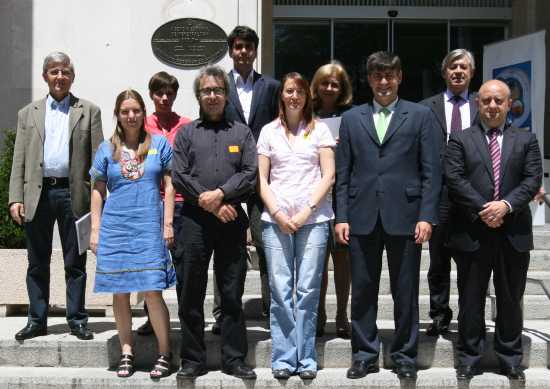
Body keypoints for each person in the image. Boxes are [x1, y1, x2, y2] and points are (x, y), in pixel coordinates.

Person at [335, 51, 441, 380]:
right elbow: (343, 173)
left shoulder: (421, 115)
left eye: (389, 75)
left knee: (405, 290)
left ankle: (405, 355)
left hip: (406, 216)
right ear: (368, 80)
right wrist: (341, 216)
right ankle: (364, 354)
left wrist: (427, 215)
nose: (383, 82)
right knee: (363, 290)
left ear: (399, 78)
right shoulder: (352, 118)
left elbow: (431, 171)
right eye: (377, 76)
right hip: (361, 215)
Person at [445, 79, 542, 381]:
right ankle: (469, 357)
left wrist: (506, 206)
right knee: (470, 300)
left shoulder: (526, 139)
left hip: (513, 232)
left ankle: (510, 357)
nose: (491, 106)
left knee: (511, 298)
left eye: (498, 101)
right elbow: (455, 178)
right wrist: (486, 208)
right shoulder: (460, 139)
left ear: (509, 103)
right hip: (473, 231)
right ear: (478, 103)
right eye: (486, 100)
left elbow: (532, 178)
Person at [8, 51, 103, 341]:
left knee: (75, 262)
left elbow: (98, 161)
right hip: (38, 194)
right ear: (45, 76)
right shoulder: (28, 113)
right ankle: (37, 320)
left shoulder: (89, 111)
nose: (59, 76)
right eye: (54, 71)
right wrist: (15, 197)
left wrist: (99, 202)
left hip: (73, 194)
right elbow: (19, 158)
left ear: (72, 77)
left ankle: (77, 319)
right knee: (37, 261)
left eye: (64, 71)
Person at [172, 65, 257, 379]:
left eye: (218, 90)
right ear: (199, 95)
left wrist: (220, 195)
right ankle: (192, 360)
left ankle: (234, 359)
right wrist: (209, 204)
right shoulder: (186, 133)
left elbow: (250, 174)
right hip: (194, 222)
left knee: (231, 292)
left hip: (232, 219)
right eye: (206, 90)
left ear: (226, 95)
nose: (212, 96)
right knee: (190, 291)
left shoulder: (242, 133)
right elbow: (180, 176)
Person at [89, 89, 175, 379]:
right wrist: (96, 230)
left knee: (152, 290)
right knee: (120, 291)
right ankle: (127, 351)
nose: (131, 115)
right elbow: (98, 191)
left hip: (149, 224)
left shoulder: (160, 144)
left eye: (136, 110)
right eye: (125, 111)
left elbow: (170, 185)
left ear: (143, 112)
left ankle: (165, 352)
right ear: (118, 114)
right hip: (115, 227)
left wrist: (168, 224)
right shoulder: (106, 149)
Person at [257, 72, 336, 380]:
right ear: (282, 95)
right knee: (280, 289)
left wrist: (305, 212)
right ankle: (284, 357)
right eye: (289, 91)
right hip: (275, 221)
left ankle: (306, 358)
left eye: (299, 91)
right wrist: (277, 212)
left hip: (313, 221)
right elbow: (261, 179)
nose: (293, 96)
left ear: (307, 96)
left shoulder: (321, 131)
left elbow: (328, 175)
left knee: (306, 289)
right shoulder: (268, 132)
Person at [214, 25, 281, 333]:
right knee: (227, 249)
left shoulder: (271, 87)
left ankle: (271, 308)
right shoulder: (218, 86)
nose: (242, 51)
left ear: (255, 50)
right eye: (237, 47)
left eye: (248, 46)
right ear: (231, 51)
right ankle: (223, 311)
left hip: (261, 180)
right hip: (226, 179)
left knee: (267, 244)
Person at [419, 49, 478, 337]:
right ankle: (439, 316)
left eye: (463, 67)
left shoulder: (484, 105)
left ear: (471, 73)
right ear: (444, 72)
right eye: (453, 67)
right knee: (438, 260)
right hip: (438, 194)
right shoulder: (425, 107)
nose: (458, 71)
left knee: (470, 261)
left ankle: (470, 315)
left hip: (473, 196)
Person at [137, 71, 191, 336]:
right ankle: (152, 318)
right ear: (151, 95)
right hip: (149, 205)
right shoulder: (141, 126)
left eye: (169, 93)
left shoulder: (187, 125)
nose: (165, 98)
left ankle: (186, 317)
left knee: (183, 265)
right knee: (152, 267)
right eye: (159, 93)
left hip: (181, 204)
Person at [310, 62, 353, 339]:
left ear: (342, 89)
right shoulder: (306, 116)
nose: (329, 88)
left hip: (343, 195)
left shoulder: (351, 117)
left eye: (335, 84)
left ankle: (341, 314)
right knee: (317, 259)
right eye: (324, 82)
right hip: (312, 194)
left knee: (342, 259)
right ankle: (320, 313)